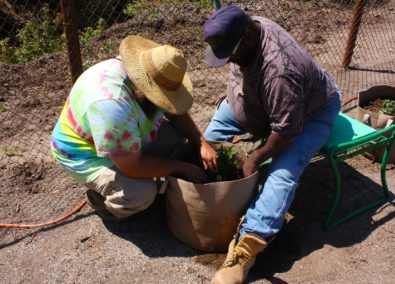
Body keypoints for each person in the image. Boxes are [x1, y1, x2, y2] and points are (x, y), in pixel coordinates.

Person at [203, 6, 341, 283]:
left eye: (231, 55)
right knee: (210, 140)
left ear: (249, 36)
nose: (230, 60)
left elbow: (286, 131)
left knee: (282, 173)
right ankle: (208, 191)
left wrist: (255, 157)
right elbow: (247, 71)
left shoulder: (281, 71)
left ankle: (245, 250)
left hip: (308, 113)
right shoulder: (250, 27)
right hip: (263, 101)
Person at [51, 35, 217, 221]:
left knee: (177, 140)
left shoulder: (149, 69)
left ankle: (152, 172)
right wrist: (180, 168)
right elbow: (131, 166)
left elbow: (174, 110)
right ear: (144, 87)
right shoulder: (112, 105)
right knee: (141, 193)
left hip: (123, 137)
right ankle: (102, 201)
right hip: (85, 154)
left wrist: (201, 141)